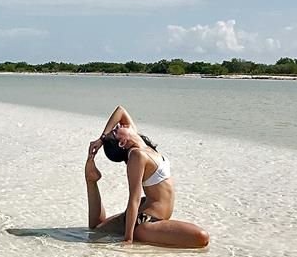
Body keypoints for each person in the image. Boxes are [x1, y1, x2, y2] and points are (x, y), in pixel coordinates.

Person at [85, 105, 209, 248]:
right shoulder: (137, 155)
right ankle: (91, 181)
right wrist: (128, 239)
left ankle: (91, 181)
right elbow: (134, 198)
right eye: (115, 131)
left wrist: (101, 139)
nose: (117, 126)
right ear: (122, 142)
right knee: (202, 237)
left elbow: (120, 110)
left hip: (147, 211)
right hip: (147, 221)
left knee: (97, 228)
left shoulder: (144, 146)